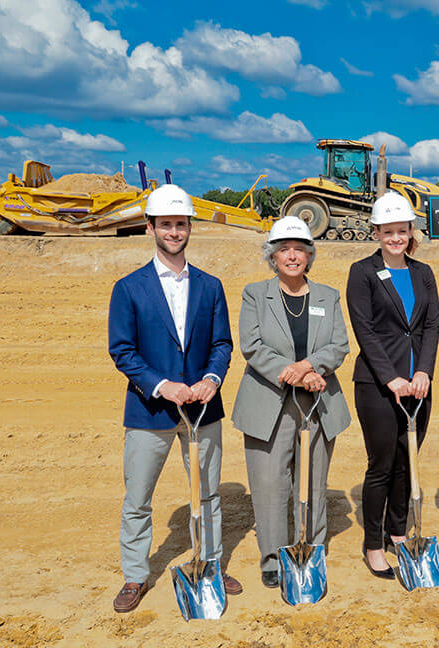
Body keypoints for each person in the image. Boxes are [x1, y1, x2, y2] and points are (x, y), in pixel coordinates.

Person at [108, 184, 240, 613]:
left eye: (180, 224)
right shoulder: (128, 288)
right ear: (151, 228)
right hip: (150, 411)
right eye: (165, 224)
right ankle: (135, 575)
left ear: (189, 228)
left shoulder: (210, 285)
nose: (174, 231)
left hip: (203, 407)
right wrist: (163, 385)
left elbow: (222, 342)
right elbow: (122, 350)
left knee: (208, 494)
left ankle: (211, 563)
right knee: (138, 498)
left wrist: (211, 379)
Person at [231, 216, 351, 588]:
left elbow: (339, 346)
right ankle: (272, 555)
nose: (293, 256)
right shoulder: (255, 294)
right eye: (284, 249)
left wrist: (312, 367)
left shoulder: (327, 297)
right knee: (270, 484)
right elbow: (252, 345)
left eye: (299, 249)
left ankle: (311, 550)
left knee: (312, 482)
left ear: (310, 256)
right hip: (268, 401)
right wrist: (296, 372)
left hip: (318, 400)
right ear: (272, 256)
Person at [346, 192, 439, 579]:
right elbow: (364, 330)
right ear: (377, 232)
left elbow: (432, 325)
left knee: (408, 463)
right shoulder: (362, 272)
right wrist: (392, 378)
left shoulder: (423, 273)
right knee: (382, 466)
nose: (396, 238)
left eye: (402, 231)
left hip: (419, 386)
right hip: (377, 386)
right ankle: (373, 545)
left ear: (410, 231)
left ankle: (397, 532)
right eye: (388, 232)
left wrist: (425, 372)